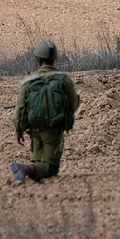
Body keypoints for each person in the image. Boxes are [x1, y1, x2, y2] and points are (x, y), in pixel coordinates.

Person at [11, 40, 79, 185]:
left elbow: (19, 109)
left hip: (33, 128)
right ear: (54, 58)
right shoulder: (64, 79)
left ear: (38, 58)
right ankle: (24, 169)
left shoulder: (28, 81)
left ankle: (31, 170)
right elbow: (73, 106)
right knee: (51, 168)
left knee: (39, 164)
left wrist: (18, 130)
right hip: (54, 130)